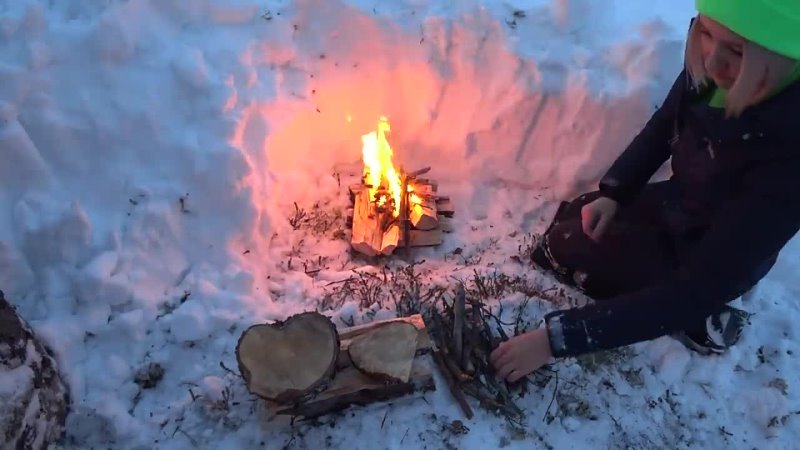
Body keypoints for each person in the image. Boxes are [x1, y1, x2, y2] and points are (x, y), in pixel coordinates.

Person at [491, 0, 800, 383]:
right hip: (682, 202)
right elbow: (663, 125)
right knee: (577, 220)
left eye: (737, 50)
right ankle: (670, 299)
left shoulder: (788, 158)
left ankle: (700, 316)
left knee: (568, 248)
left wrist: (553, 340)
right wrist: (615, 192)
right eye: (706, 32)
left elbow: (701, 279)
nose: (713, 59)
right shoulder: (713, 73)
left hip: (714, 249)